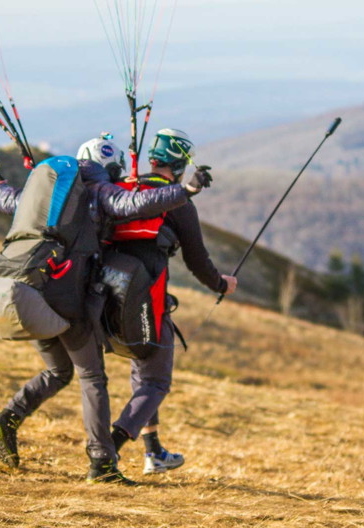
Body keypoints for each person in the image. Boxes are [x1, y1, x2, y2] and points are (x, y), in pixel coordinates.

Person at [0, 144, 212, 485]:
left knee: (59, 371)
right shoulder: (97, 191)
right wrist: (186, 190)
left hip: (32, 291)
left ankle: (8, 418)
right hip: (68, 302)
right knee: (92, 378)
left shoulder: (50, 195)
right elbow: (134, 203)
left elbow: (8, 200)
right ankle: (102, 463)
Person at [107, 128, 237, 475]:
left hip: (106, 301)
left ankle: (153, 453)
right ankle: (108, 449)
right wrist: (221, 284)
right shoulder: (177, 201)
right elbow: (197, 261)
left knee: (142, 375)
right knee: (156, 382)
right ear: (180, 165)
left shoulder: (125, 189)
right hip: (148, 303)